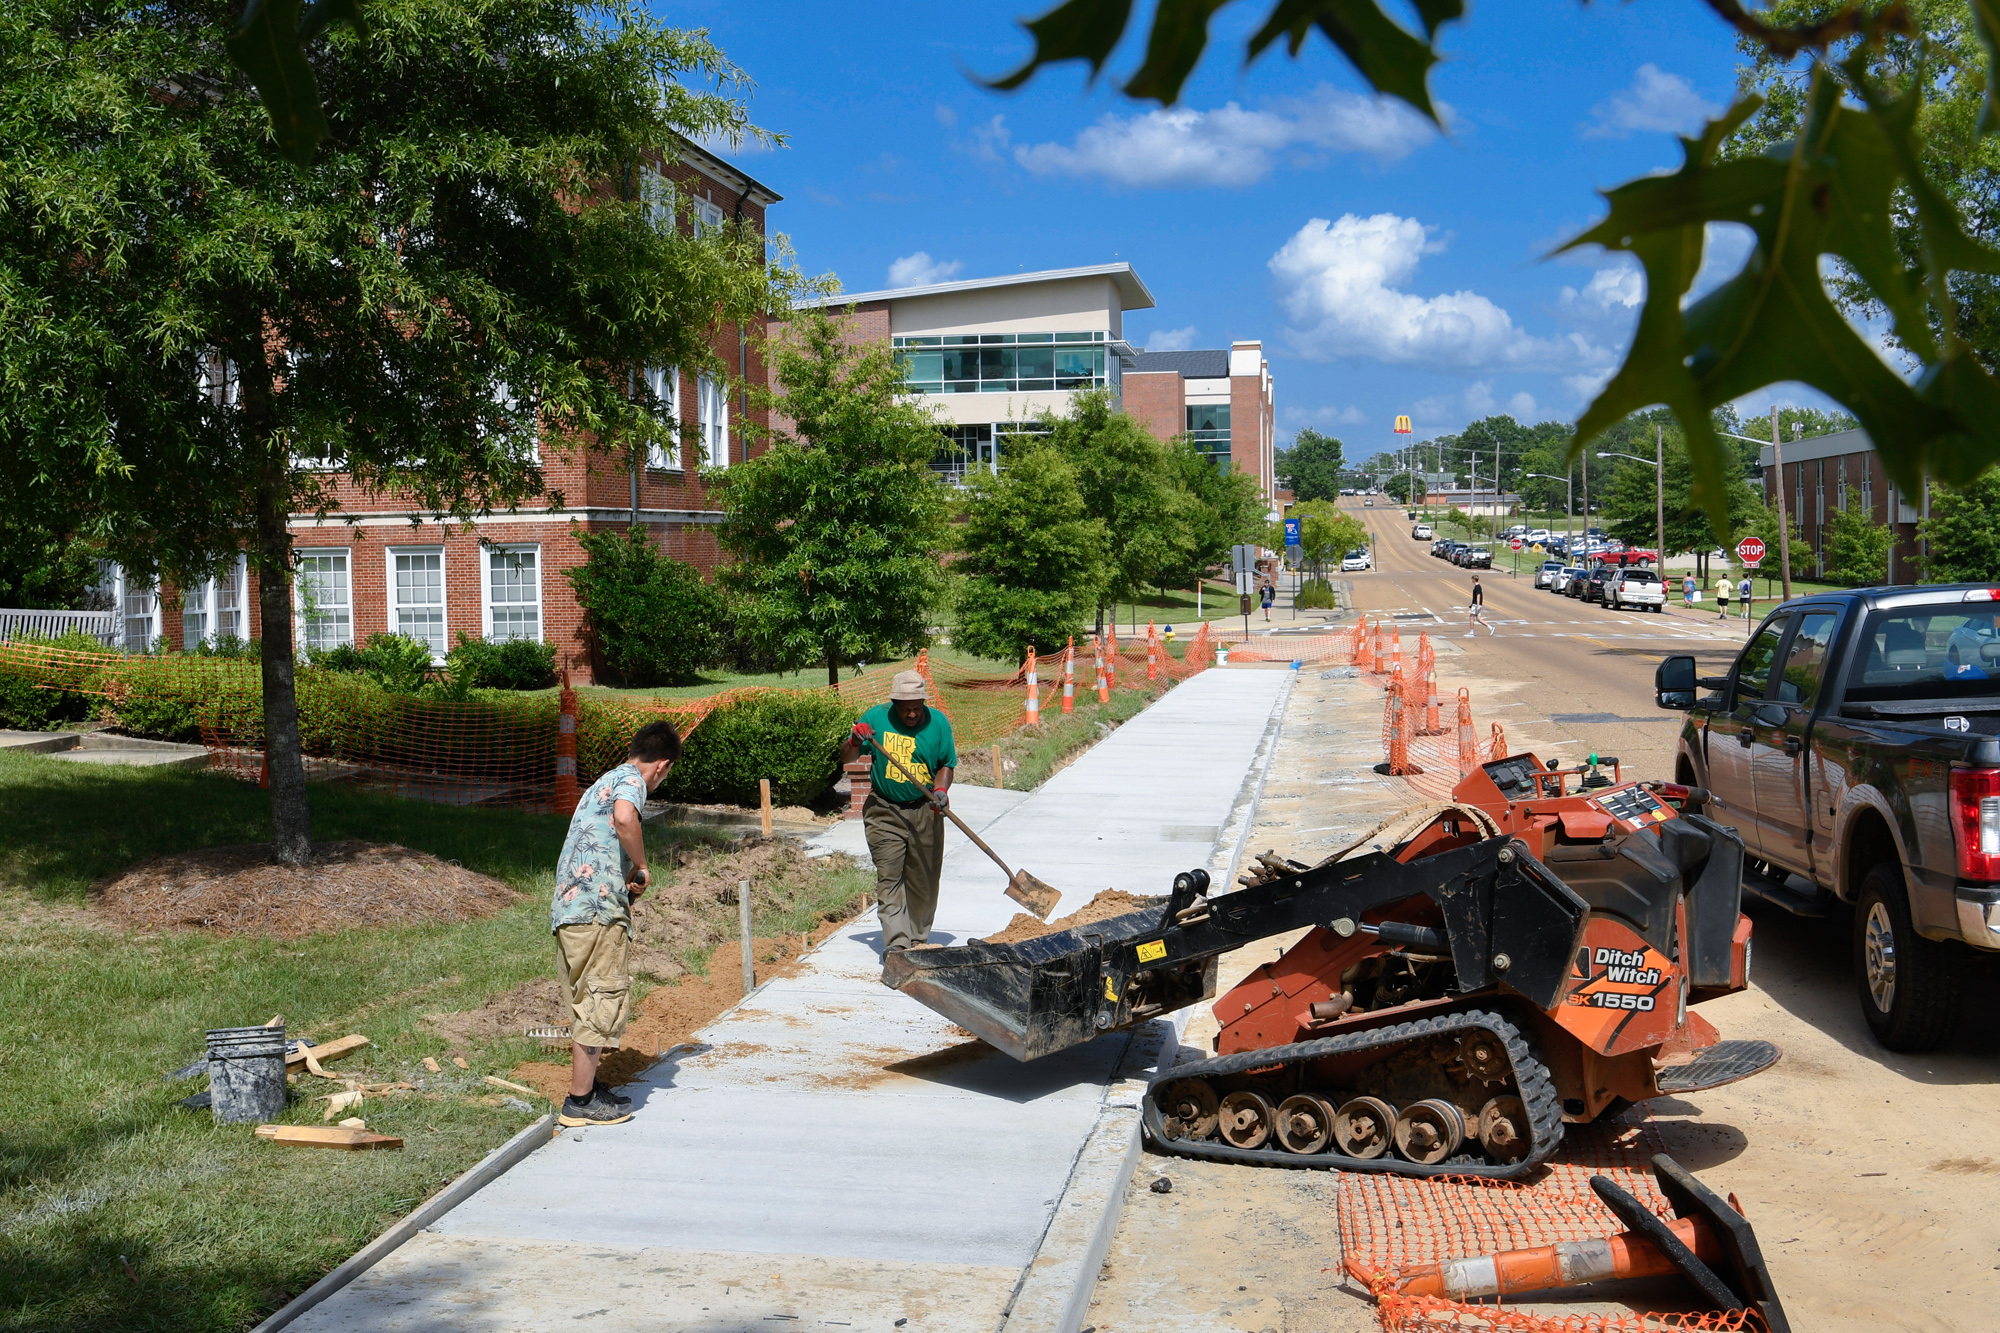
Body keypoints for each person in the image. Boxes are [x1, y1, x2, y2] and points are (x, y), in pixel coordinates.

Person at [549, 719, 682, 1128]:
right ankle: (580, 1103)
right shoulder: (633, 785)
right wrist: (642, 864)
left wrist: (622, 873)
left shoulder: (605, 779)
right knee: (602, 1001)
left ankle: (588, 1088)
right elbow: (625, 818)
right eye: (667, 773)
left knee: (586, 1000)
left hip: (572, 910)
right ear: (661, 765)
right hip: (598, 914)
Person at [838, 670, 957, 957]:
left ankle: (918, 939)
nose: (913, 714)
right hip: (884, 810)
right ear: (894, 703)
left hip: (925, 809)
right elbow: (846, 758)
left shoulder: (938, 723)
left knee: (924, 881)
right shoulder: (876, 719)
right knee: (889, 877)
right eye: (906, 709)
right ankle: (897, 944)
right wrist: (855, 740)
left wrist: (940, 791)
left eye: (917, 708)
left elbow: (946, 764)